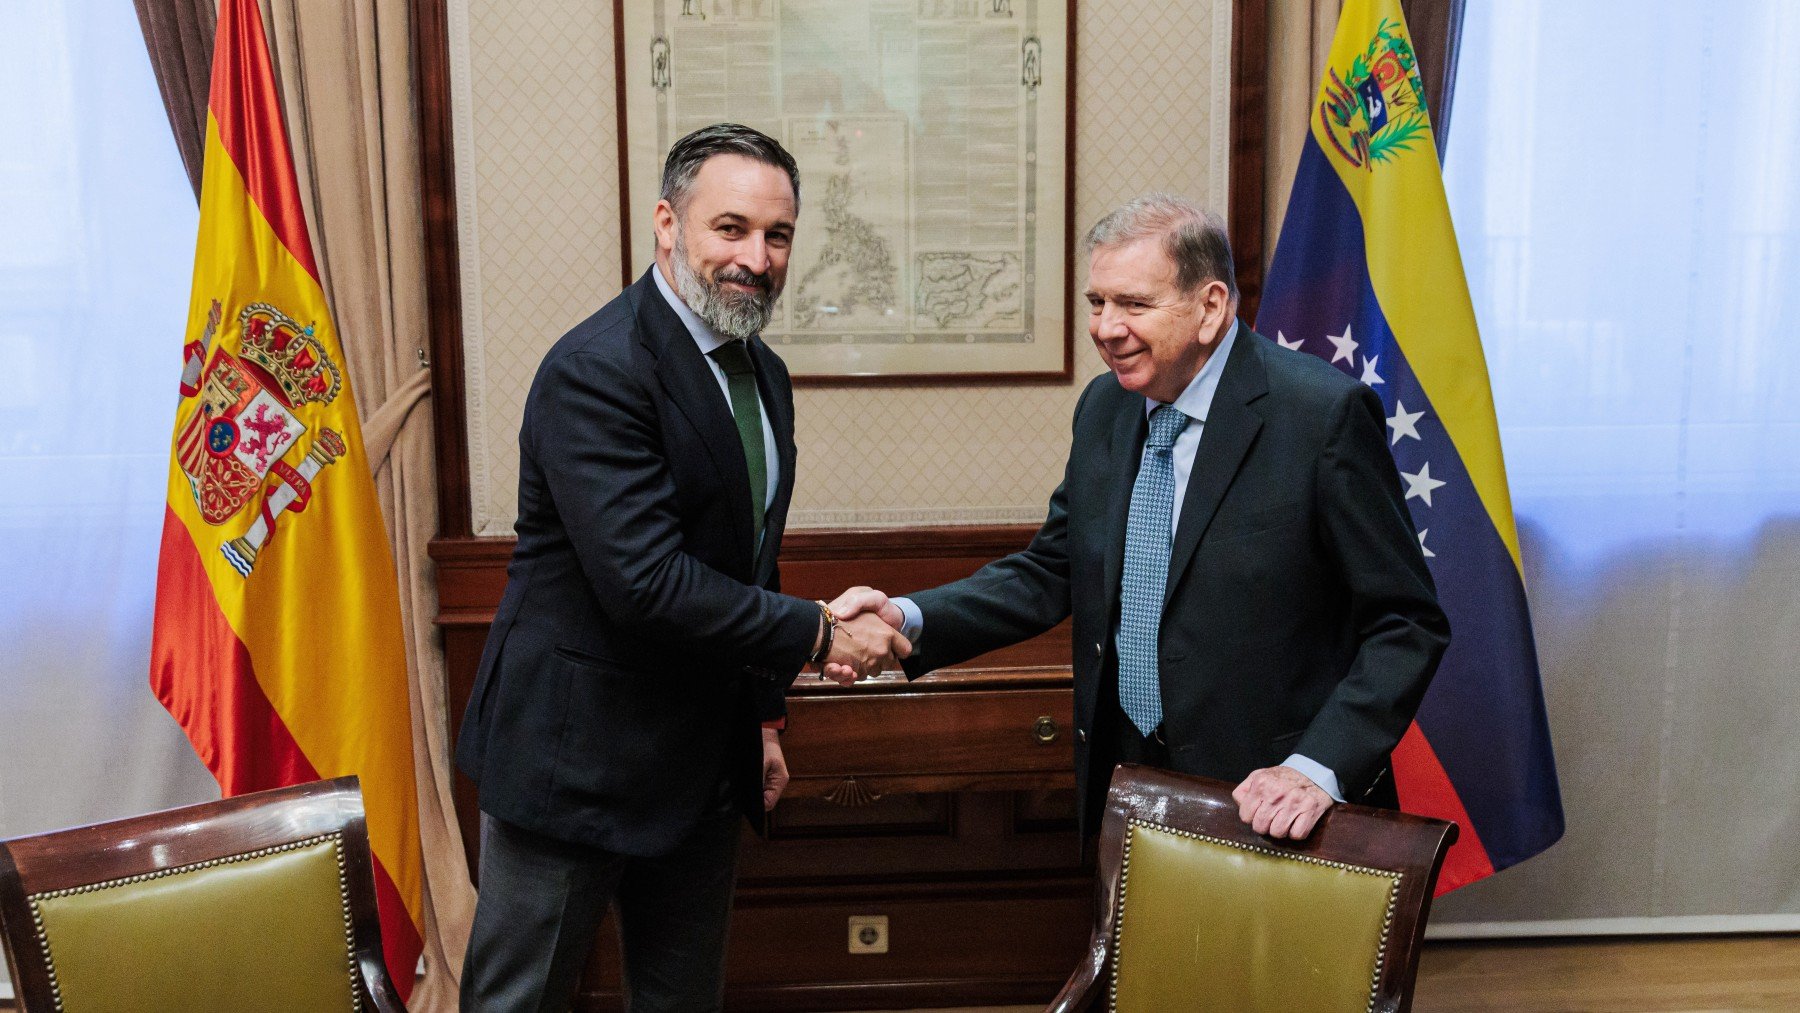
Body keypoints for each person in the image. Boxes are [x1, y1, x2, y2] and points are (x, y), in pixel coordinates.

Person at [456, 123, 910, 1012]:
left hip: (703, 759)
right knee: (519, 1002)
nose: (757, 257)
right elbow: (647, 582)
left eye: (777, 236)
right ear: (668, 224)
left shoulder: (761, 371)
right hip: (572, 760)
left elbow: (744, 556)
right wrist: (822, 631)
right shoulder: (597, 370)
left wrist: (766, 717)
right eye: (730, 229)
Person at [857, 193, 1448, 843]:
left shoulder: (1321, 416)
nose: (1107, 327)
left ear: (1211, 306)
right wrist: (909, 618)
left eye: (1134, 304)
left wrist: (1316, 767)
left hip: (1274, 802)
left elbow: (1406, 622)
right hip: (1128, 785)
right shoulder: (1106, 408)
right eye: (1097, 302)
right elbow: (1055, 568)